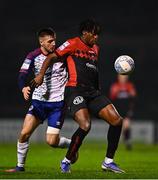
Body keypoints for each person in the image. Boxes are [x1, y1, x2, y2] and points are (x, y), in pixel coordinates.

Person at [31, 19, 124, 173]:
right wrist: (41, 74)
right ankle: (67, 160)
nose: (96, 37)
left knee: (117, 121)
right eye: (94, 34)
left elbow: (93, 70)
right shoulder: (72, 43)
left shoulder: (95, 49)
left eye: (98, 35)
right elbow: (52, 57)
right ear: (85, 33)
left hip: (92, 92)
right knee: (85, 125)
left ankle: (108, 161)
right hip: (75, 90)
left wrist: (97, 89)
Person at [6, 28, 71, 172]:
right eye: (50, 41)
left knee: (51, 141)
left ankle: (72, 146)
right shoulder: (33, 56)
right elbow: (22, 74)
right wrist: (23, 87)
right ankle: (20, 166)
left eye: (54, 40)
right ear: (41, 42)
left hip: (57, 104)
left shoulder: (63, 55)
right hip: (38, 102)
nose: (53, 43)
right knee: (24, 133)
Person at [109, 74, 137, 150]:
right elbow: (112, 97)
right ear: (118, 78)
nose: (123, 78)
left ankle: (128, 141)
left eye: (124, 77)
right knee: (118, 126)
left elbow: (133, 97)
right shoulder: (115, 86)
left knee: (127, 125)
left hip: (126, 109)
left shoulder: (129, 86)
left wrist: (131, 109)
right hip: (117, 109)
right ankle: (117, 141)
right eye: (121, 77)